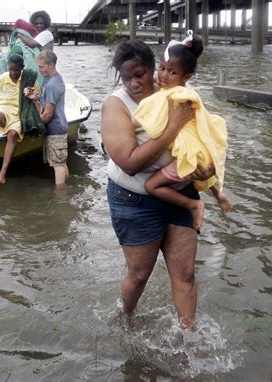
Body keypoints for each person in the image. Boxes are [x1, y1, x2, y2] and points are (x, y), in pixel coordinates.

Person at [101, 40, 215, 330]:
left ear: (152, 69)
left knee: (186, 273)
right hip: (134, 199)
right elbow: (128, 161)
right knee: (139, 275)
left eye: (139, 74)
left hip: (179, 191)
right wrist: (172, 127)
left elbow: (201, 134)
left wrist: (205, 169)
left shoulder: (173, 90)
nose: (133, 83)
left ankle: (189, 339)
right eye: (125, 77)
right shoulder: (116, 105)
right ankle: (126, 317)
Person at [138, 32, 233, 232]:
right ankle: (219, 194)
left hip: (190, 154)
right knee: (201, 169)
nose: (163, 75)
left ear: (186, 77)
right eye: (162, 68)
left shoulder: (177, 95)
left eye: (171, 72)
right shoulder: (185, 91)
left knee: (152, 186)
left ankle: (194, 205)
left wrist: (134, 121)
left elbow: (155, 123)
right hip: (199, 151)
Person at [0, 54, 40, 184]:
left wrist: (32, 95)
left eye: (16, 70)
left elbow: (38, 97)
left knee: (12, 135)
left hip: (18, 113)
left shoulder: (28, 79)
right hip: (3, 109)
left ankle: (3, 171)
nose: (13, 72)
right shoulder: (1, 78)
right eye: (10, 69)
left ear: (22, 68)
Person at [25, 50, 68, 185]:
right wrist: (35, 97)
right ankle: (67, 187)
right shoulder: (50, 79)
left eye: (42, 67)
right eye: (38, 66)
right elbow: (46, 99)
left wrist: (38, 125)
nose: (39, 70)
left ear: (52, 65)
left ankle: (60, 196)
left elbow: (48, 114)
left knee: (57, 164)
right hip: (58, 128)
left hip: (55, 130)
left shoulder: (53, 84)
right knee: (61, 161)